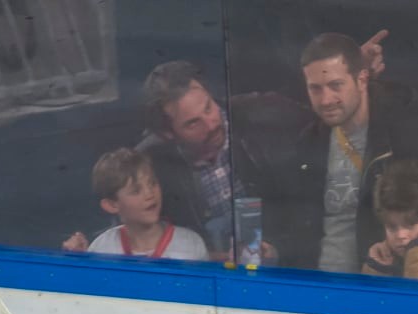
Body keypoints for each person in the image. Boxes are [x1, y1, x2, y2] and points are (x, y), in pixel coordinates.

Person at [269, 33, 418, 272]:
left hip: (377, 288)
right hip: (315, 287)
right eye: (315, 89)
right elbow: (303, 227)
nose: (326, 99)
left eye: (336, 85)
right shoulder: (309, 143)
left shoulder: (405, 134)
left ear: (361, 80)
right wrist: (277, 249)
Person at [135, 60, 310, 261]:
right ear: (167, 133)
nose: (211, 125)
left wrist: (278, 250)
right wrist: (207, 259)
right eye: (193, 123)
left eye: (209, 108)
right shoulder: (149, 165)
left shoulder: (266, 114)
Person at [62, 147, 209, 259]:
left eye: (152, 183)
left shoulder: (190, 245)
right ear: (112, 205)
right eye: (136, 191)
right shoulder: (102, 248)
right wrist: (80, 261)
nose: (149, 194)